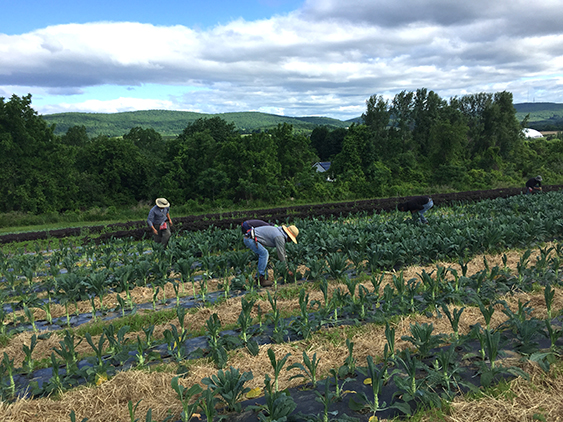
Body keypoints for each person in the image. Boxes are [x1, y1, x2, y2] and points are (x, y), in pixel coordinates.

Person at [243, 223, 299, 287]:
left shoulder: (280, 233)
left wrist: (286, 264)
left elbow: (283, 252)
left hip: (252, 238)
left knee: (264, 257)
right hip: (250, 239)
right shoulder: (279, 237)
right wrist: (287, 269)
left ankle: (264, 277)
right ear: (289, 236)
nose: (291, 241)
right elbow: (281, 255)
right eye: (291, 239)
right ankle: (260, 278)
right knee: (264, 254)